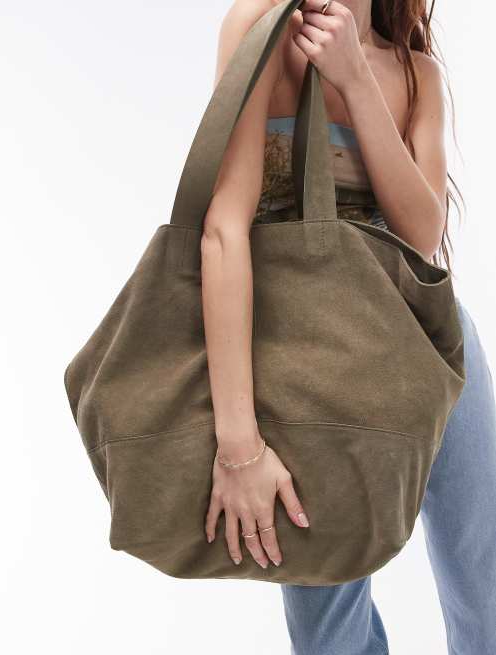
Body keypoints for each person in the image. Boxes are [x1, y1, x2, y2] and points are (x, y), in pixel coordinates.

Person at [201, 0, 496, 652]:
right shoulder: (257, 28)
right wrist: (238, 442)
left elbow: (421, 237)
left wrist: (355, 76)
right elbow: (223, 231)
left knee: (485, 587)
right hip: (307, 371)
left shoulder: (415, 72)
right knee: (326, 629)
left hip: (433, 349)